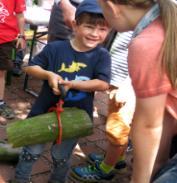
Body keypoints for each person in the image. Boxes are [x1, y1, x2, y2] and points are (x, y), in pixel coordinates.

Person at [11, 0, 111, 183]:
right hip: (43, 111)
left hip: (74, 117)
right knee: (30, 152)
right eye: (89, 27)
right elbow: (30, 68)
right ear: (75, 24)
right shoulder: (55, 48)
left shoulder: (101, 55)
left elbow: (103, 84)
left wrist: (73, 84)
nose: (95, 34)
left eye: (103, 29)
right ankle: (21, 179)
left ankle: (57, 180)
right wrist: (49, 74)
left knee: (62, 156)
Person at [97, 0, 177, 183]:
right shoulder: (168, 21)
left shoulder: (146, 44)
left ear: (111, 6)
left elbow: (149, 125)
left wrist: (139, 179)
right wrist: (157, 164)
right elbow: (166, 111)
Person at [71, 31, 135, 182]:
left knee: (116, 130)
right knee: (121, 126)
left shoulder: (152, 20)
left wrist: (129, 85)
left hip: (126, 86)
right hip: (119, 82)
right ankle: (116, 160)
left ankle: (105, 169)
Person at [0, 0, 26, 119]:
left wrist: (21, 36)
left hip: (5, 39)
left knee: (1, 73)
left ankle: (0, 103)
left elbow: (20, 15)